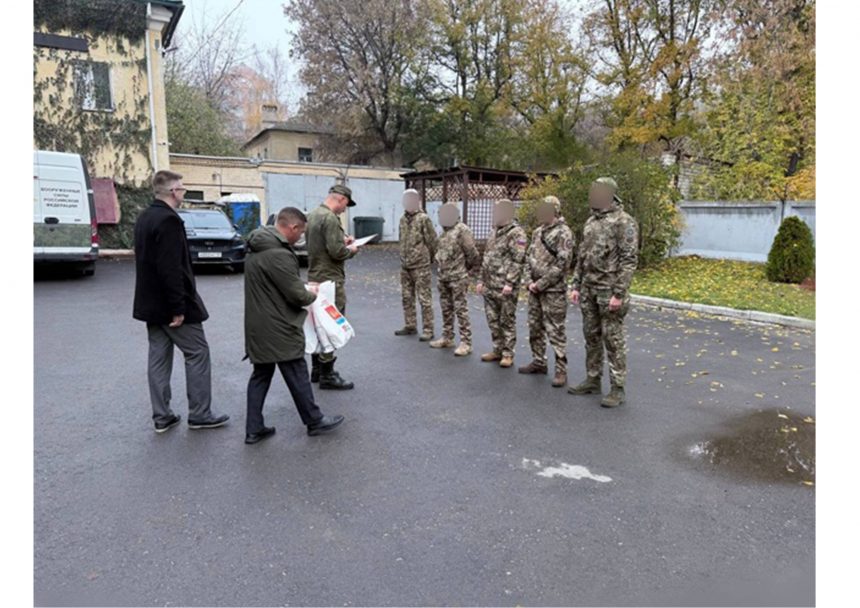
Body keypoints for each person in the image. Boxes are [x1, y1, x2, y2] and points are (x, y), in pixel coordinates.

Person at [132, 170, 230, 433]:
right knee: (197, 352)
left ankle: (162, 416)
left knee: (158, 358)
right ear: (173, 192)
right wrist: (178, 308)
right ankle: (200, 414)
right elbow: (171, 268)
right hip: (171, 305)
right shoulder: (169, 221)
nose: (184, 192)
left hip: (150, 304)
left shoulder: (145, 217)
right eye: (182, 188)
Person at [243, 207, 345, 444]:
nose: (300, 238)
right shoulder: (277, 254)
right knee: (297, 371)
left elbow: (277, 284)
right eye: (300, 233)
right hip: (279, 325)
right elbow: (296, 295)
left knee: (261, 374)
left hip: (258, 324)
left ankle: (253, 428)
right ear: (292, 227)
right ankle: (314, 421)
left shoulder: (258, 246)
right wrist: (314, 294)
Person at [568, 177, 638, 407]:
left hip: (609, 291)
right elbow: (582, 256)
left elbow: (628, 261)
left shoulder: (624, 222)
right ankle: (592, 379)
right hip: (589, 289)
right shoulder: (591, 222)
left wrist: (619, 293)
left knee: (613, 339)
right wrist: (576, 285)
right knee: (591, 337)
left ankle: (618, 388)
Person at [306, 183, 359, 390]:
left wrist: (342, 240)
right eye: (346, 204)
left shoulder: (313, 214)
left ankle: (317, 370)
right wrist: (352, 249)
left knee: (317, 323)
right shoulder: (329, 218)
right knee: (331, 323)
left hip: (315, 276)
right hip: (330, 280)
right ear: (341, 199)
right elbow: (337, 252)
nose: (345, 209)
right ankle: (327, 374)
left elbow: (323, 244)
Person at [520, 196, 575, 387]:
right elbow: (528, 258)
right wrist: (528, 281)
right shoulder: (537, 232)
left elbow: (563, 264)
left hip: (553, 291)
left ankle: (561, 370)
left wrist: (541, 283)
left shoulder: (563, 233)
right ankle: (538, 361)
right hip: (534, 289)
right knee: (534, 327)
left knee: (555, 331)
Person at [477, 199, 528, 368]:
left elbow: (518, 259)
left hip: (504, 286)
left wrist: (510, 282)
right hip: (490, 285)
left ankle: (507, 353)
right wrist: (480, 280)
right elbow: (486, 258)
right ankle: (497, 349)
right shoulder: (494, 232)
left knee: (506, 320)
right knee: (492, 320)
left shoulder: (517, 233)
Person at [429, 203, 480, 356]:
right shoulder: (444, 232)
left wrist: (466, 271)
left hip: (458, 277)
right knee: (446, 308)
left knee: (461, 310)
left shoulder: (462, 230)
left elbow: (472, 254)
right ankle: (447, 337)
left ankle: (466, 342)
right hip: (443, 276)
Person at [394, 189, 438, 341]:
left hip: (420, 266)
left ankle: (428, 329)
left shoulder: (423, 219)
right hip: (405, 266)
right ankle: (410, 325)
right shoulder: (402, 220)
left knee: (424, 299)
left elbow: (432, 241)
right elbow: (401, 240)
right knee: (407, 297)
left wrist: (431, 260)